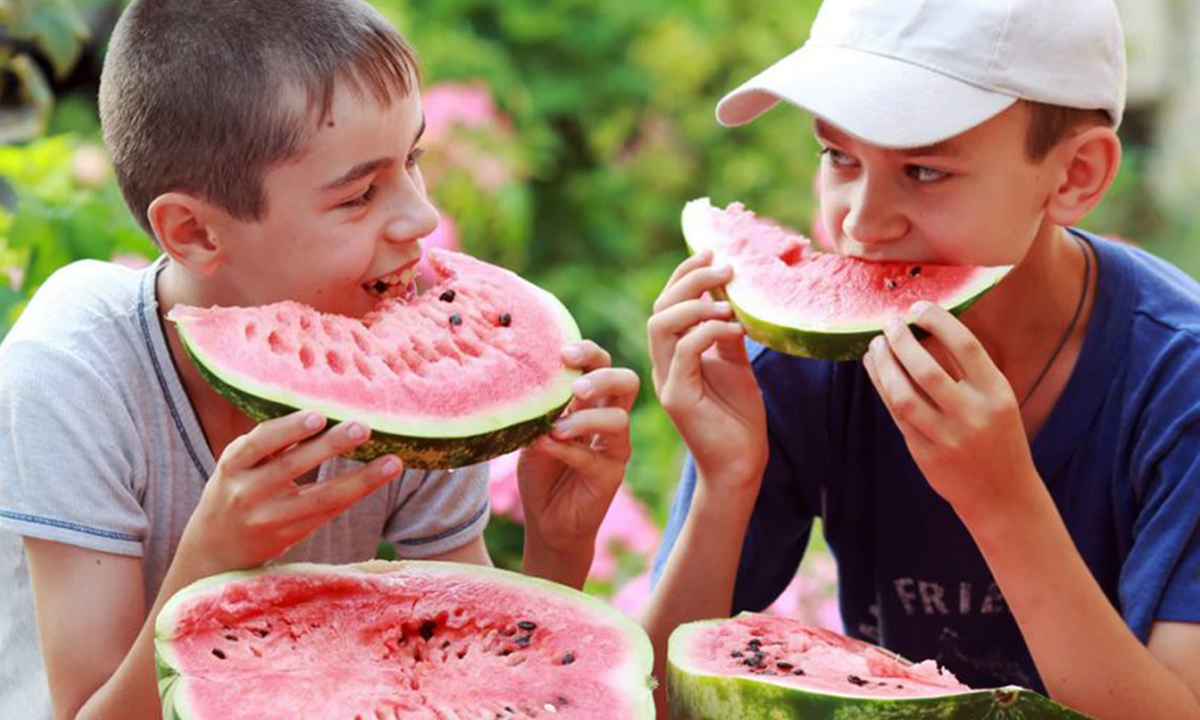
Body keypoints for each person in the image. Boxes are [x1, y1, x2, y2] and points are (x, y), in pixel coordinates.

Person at [0, 1, 639, 718]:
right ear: (194, 232)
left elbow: (476, 678)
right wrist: (210, 563)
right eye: (361, 194)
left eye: (415, 159)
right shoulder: (74, 370)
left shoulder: (414, 381)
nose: (422, 218)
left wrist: (559, 544)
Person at [643, 1, 1200, 718]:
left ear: (1074, 177)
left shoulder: (1178, 385)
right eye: (840, 157)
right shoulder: (798, 367)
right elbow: (651, 705)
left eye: (924, 170)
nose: (861, 223)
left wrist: (1003, 502)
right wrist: (725, 483)